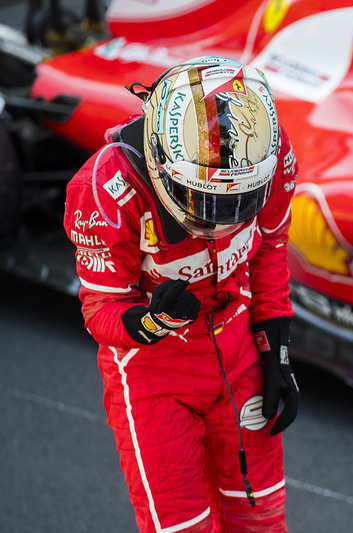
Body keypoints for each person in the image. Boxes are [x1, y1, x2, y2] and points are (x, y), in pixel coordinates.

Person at [63, 56, 299, 533]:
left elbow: (270, 246)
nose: (225, 220)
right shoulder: (104, 189)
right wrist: (149, 323)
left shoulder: (268, 154)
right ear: (160, 160)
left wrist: (278, 351)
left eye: (238, 202)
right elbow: (101, 309)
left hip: (238, 356)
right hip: (154, 376)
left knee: (263, 520)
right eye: (209, 201)